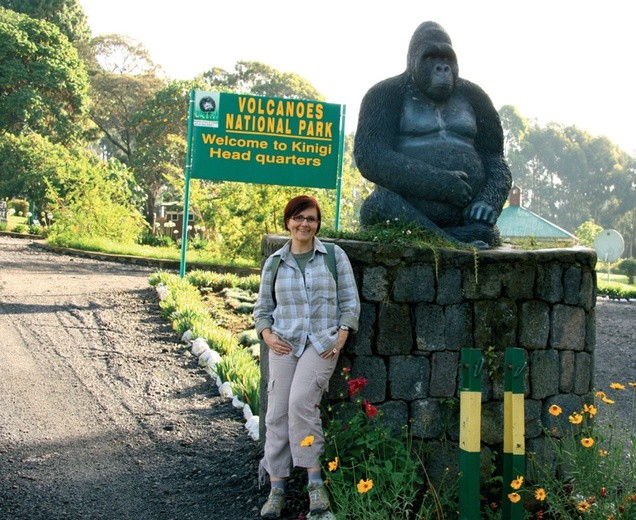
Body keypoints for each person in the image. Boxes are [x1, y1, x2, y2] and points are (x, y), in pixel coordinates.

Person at [253, 195, 361, 518]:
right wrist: (268, 336)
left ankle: (315, 484)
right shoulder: (275, 263)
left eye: (311, 219)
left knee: (301, 402)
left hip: (322, 343)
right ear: (288, 222)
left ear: (318, 224)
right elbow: (262, 309)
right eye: (298, 218)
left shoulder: (334, 257)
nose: (304, 224)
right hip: (284, 343)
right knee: (276, 411)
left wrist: (341, 336)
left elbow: (350, 302)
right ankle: (277, 488)